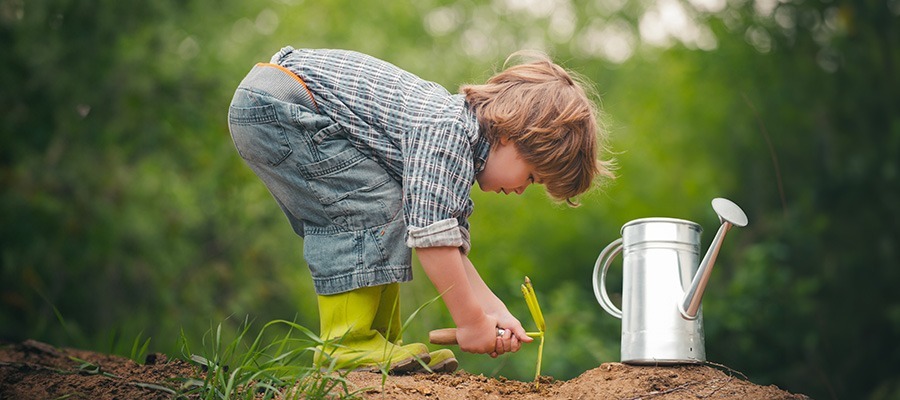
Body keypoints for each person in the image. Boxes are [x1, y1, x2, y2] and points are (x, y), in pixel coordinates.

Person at [227, 46, 614, 373]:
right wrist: (470, 323)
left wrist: (491, 310)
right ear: (512, 135)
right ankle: (348, 344)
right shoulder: (447, 134)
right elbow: (433, 243)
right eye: (531, 177)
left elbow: (448, 243)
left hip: (282, 102)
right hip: (278, 105)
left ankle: (379, 342)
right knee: (367, 205)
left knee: (391, 204)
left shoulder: (458, 143)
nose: (521, 190)